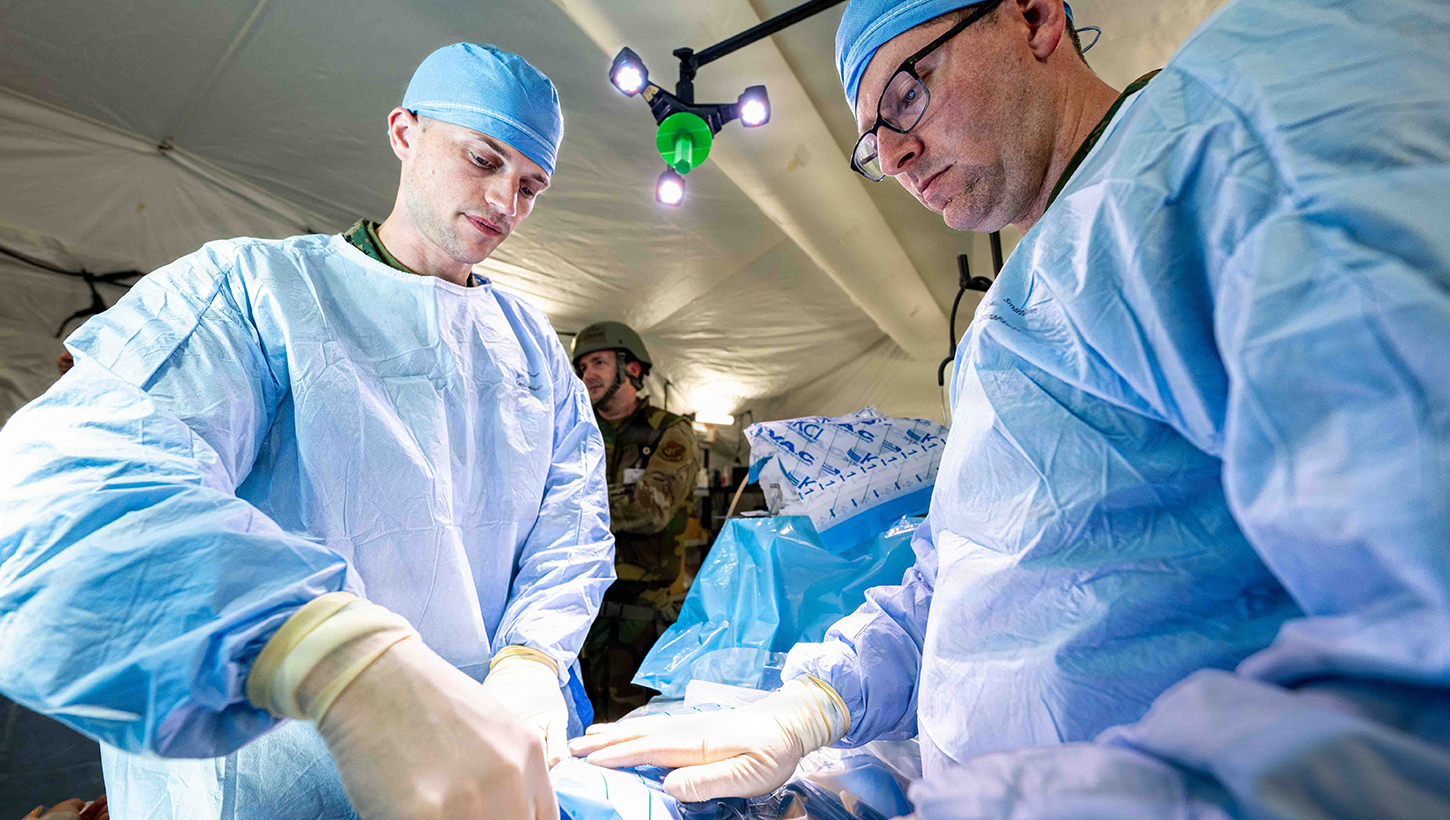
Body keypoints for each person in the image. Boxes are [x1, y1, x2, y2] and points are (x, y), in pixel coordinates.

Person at [570, 0, 1450, 817]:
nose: (899, 155)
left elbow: (1414, 680)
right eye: (875, 140)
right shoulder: (1016, 313)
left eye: (907, 93)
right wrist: (815, 711)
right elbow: (962, 573)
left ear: (1033, 15)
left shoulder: (1210, 153)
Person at [0, 42, 614, 820]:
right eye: (483, 159)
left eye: (531, 186)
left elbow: (575, 521)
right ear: (403, 132)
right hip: (267, 768)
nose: (505, 202)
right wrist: (332, 661)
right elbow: (73, 485)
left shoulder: (533, 352)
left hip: (481, 765)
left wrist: (531, 658)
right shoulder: (254, 293)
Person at [571, 321, 701, 720]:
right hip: (584, 603)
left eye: (598, 363)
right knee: (580, 715)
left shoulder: (669, 431)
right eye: (582, 367)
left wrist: (578, 502)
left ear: (630, 368)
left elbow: (651, 509)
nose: (587, 375)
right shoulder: (577, 429)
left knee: (633, 721)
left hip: (642, 616)